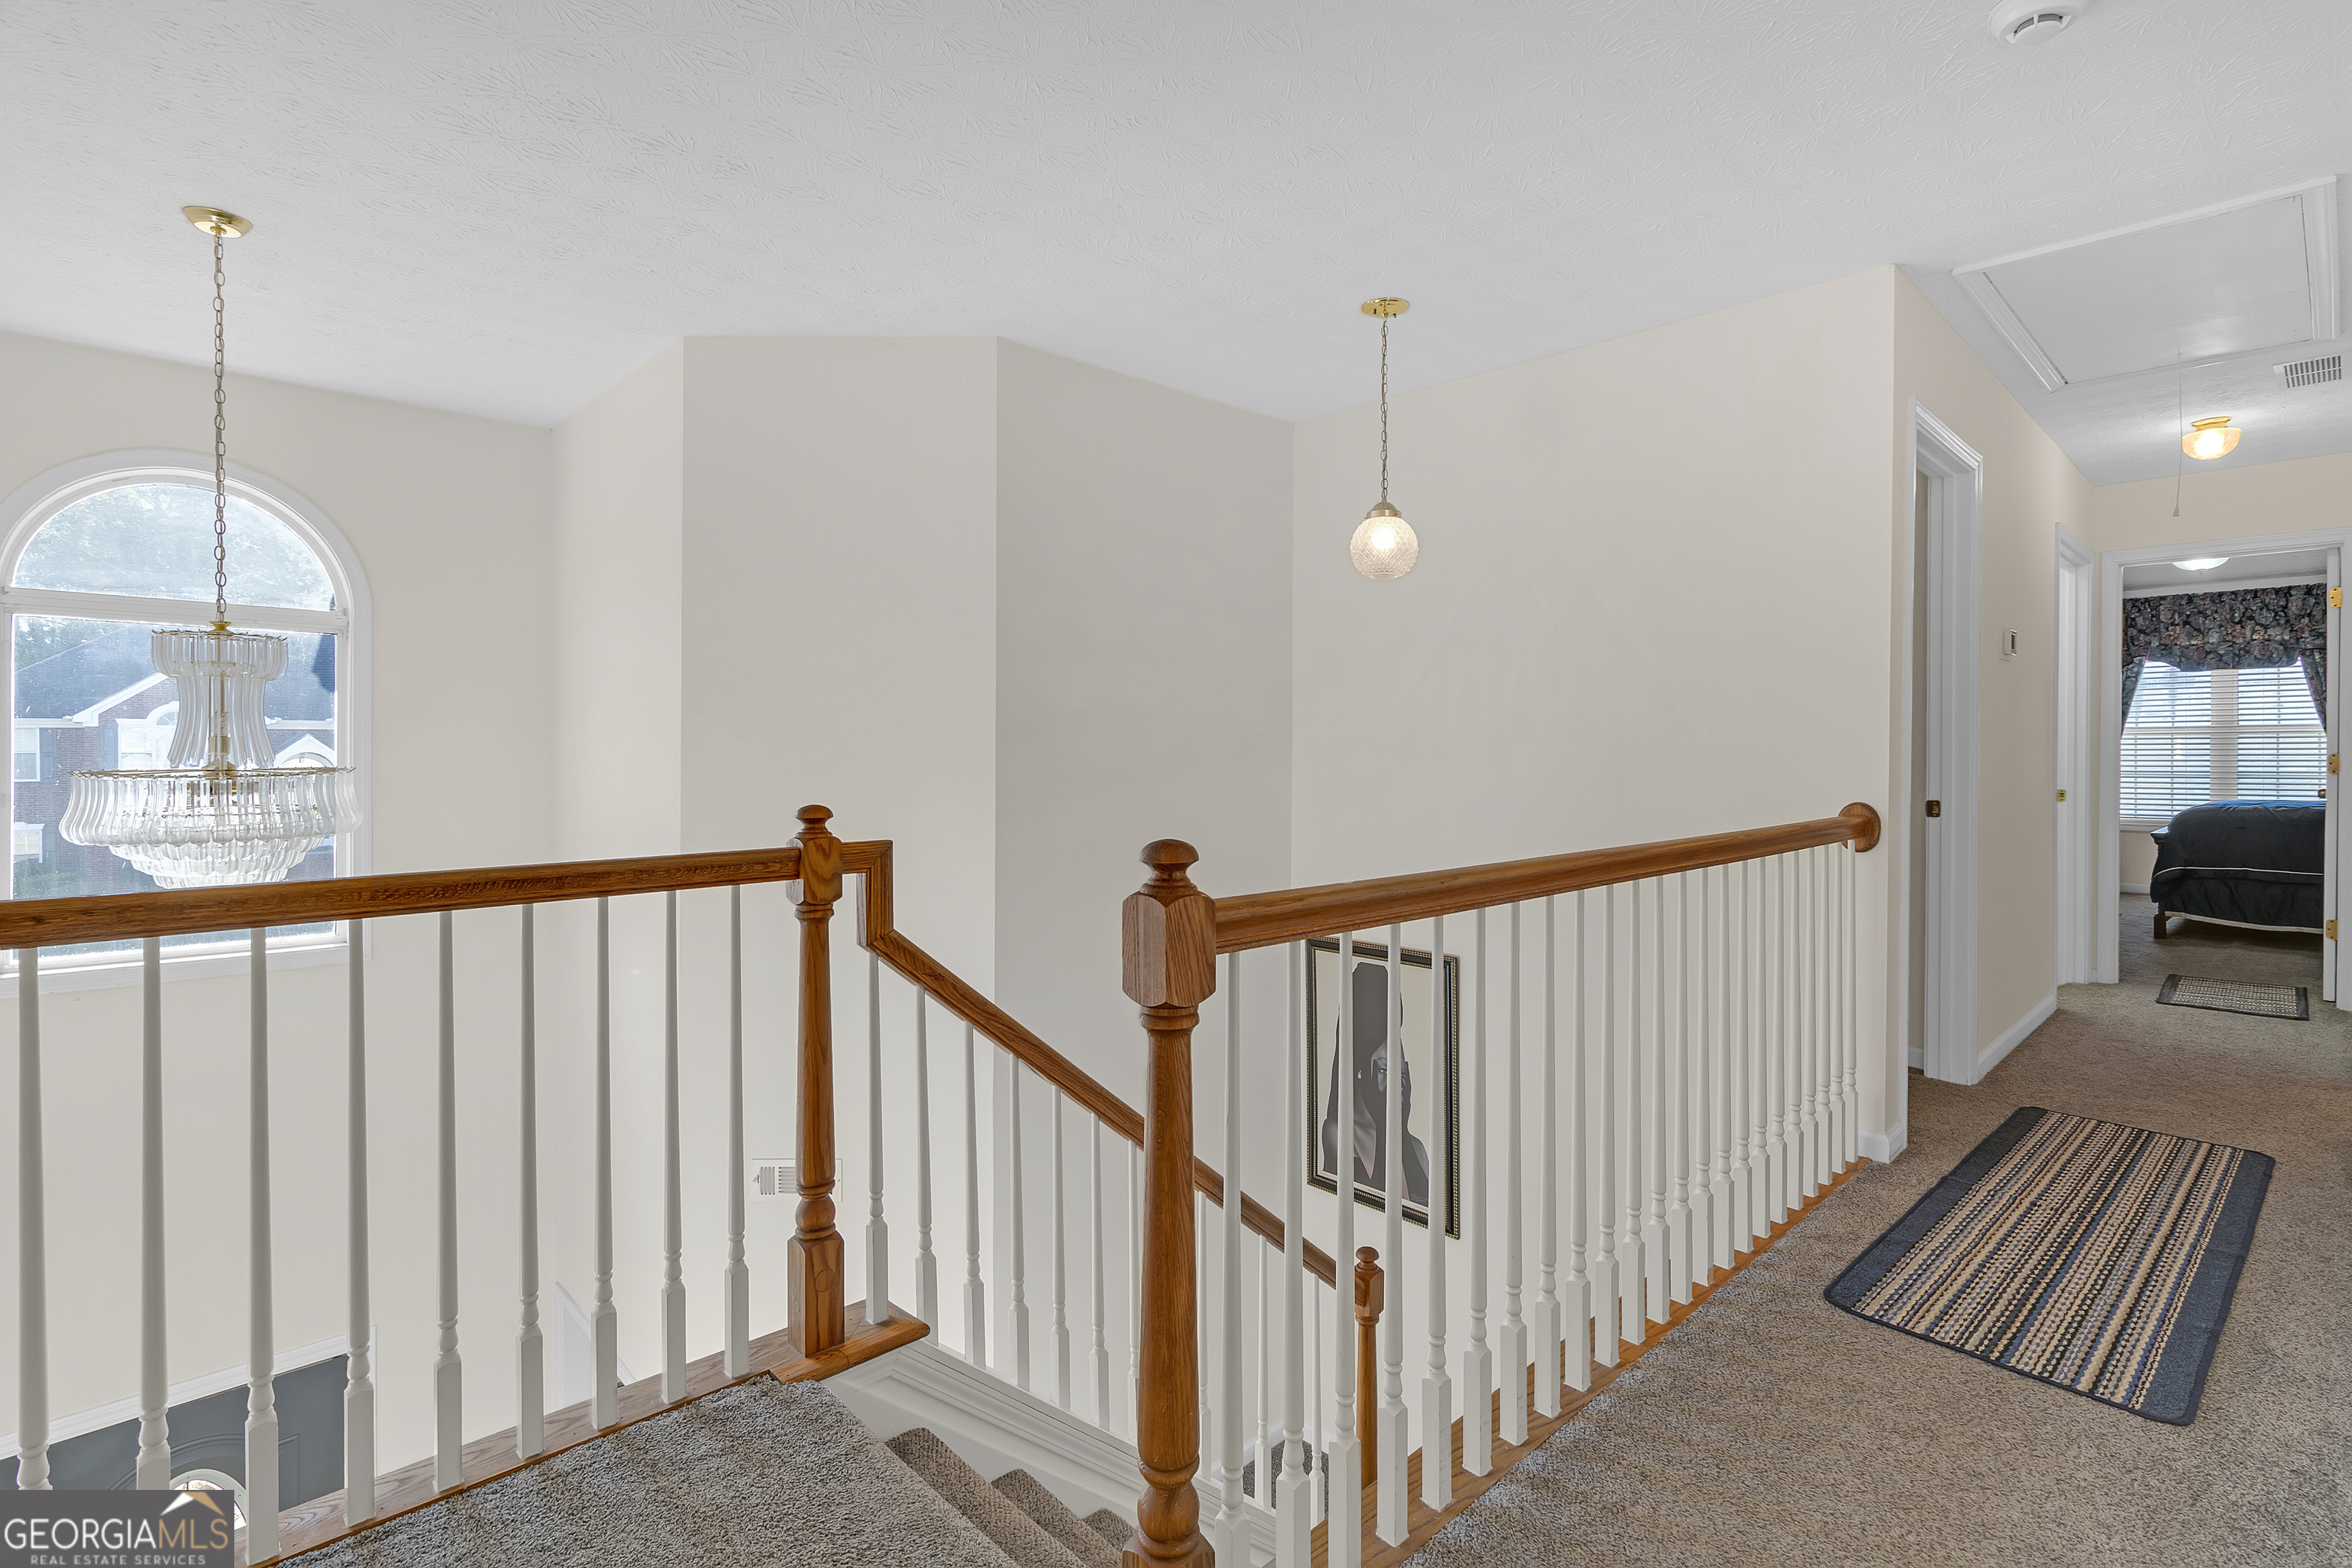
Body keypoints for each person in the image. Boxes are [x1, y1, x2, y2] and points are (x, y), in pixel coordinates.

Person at [1320, 956, 1429, 1208]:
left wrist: (1399, 1130)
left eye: (1402, 1073)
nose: (1399, 1085)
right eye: (1383, 1070)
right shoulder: (1339, 1133)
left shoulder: (1418, 1150)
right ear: (1361, 1073)